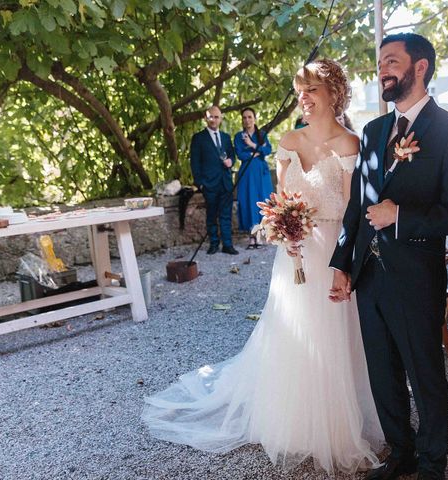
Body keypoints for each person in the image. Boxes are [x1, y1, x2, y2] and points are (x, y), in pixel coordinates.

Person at [143, 59, 384, 475]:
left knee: (333, 332)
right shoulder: (288, 141)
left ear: (333, 94)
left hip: (333, 250)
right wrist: (282, 229)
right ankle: (292, 420)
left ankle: (335, 424)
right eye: (299, 91)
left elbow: (354, 213)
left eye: (311, 90)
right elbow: (281, 198)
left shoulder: (350, 145)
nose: (303, 99)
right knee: (292, 329)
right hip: (292, 252)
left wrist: (343, 262)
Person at [330, 33, 448, 480]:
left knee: (424, 372)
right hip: (369, 272)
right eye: (379, 63)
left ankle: (433, 464)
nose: (382, 70)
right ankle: (402, 452)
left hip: (416, 272)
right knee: (383, 370)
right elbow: (357, 204)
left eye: (391, 61)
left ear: (421, 67)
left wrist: (400, 216)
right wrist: (340, 261)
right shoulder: (373, 132)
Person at [190, 105, 238, 255]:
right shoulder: (198, 138)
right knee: (211, 215)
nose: (213, 119)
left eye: (216, 117)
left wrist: (231, 161)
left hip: (225, 182)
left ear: (221, 119)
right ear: (206, 118)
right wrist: (200, 184)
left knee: (226, 215)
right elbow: (195, 163)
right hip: (209, 184)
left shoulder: (225, 137)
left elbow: (232, 156)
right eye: (210, 116)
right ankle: (214, 244)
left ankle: (227, 245)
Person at [233, 108, 274, 249]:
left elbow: (268, 150)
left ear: (254, 119)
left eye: (250, 117)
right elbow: (240, 155)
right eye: (244, 117)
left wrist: (251, 146)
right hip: (247, 172)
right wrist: (257, 151)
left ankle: (261, 234)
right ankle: (251, 236)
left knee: (262, 200)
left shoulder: (262, 134)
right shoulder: (239, 136)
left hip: (261, 174)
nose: (247, 120)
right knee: (248, 201)